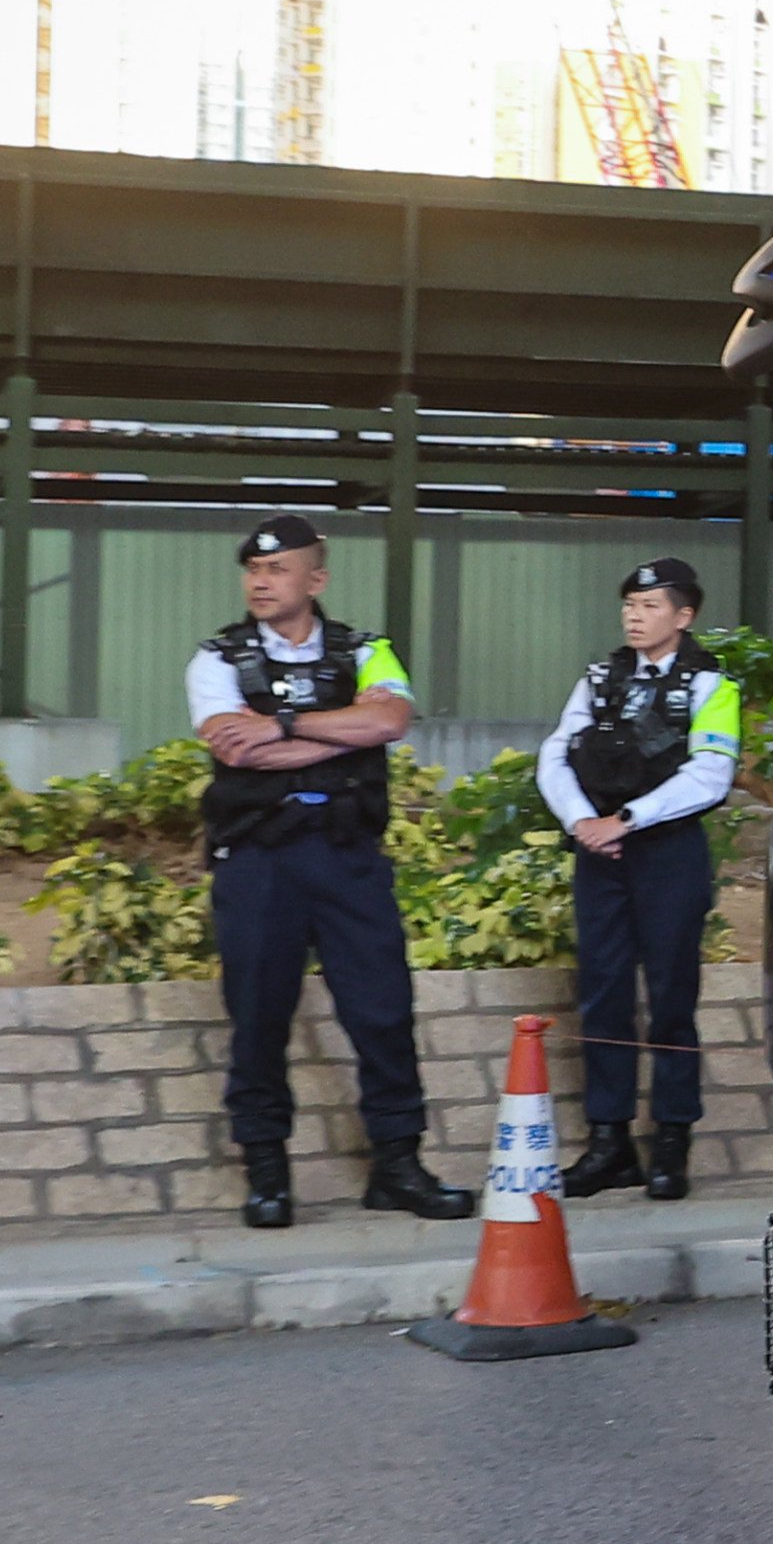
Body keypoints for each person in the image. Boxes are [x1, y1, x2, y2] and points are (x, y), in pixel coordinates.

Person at [190, 513, 473, 1231]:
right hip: (258, 858)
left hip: (346, 855)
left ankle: (398, 1165)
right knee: (258, 1015)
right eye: (252, 570)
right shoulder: (217, 659)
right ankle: (266, 1170)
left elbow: (389, 723)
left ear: (314, 578)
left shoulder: (367, 649)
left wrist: (282, 726)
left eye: (277, 569)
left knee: (381, 1010)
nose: (259, 580)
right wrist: (336, 732)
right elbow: (235, 752)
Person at [537, 558, 744, 1203]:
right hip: (601, 851)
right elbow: (555, 753)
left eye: (650, 605)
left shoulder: (713, 687)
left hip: (666, 852)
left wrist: (625, 820)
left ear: (684, 617)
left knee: (672, 999)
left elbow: (710, 775)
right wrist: (582, 822)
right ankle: (610, 1143)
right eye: (629, 603)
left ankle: (672, 1142)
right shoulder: (599, 678)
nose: (634, 614)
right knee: (602, 996)